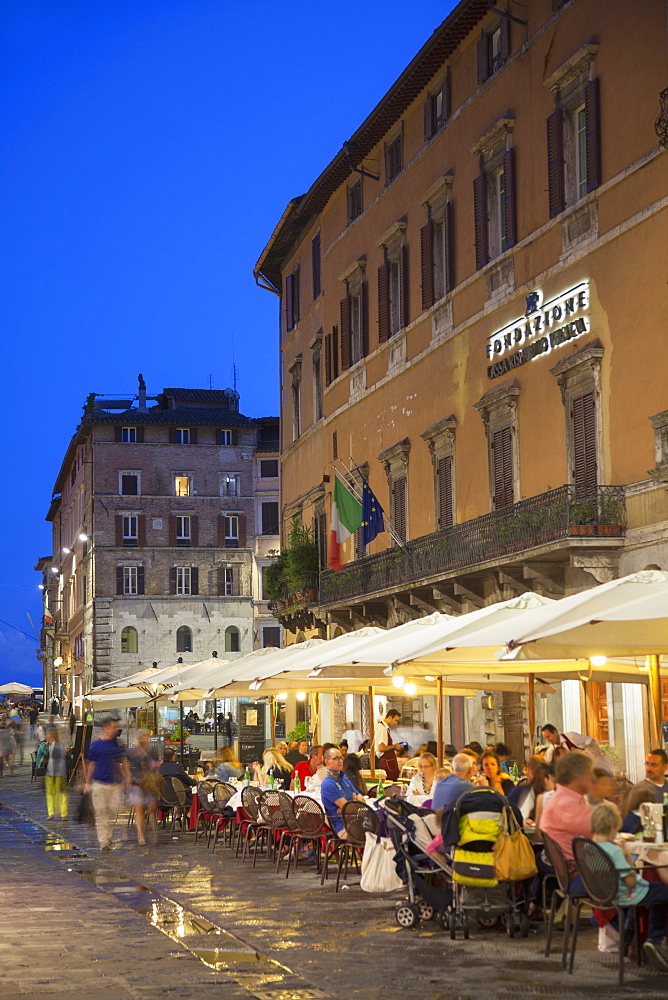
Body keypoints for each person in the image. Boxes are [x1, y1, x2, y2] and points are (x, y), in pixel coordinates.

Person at [591, 801, 668, 972]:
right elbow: (631, 882)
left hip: (607, 894)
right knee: (663, 892)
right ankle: (654, 939)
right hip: (628, 893)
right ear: (613, 827)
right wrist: (627, 857)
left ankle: (631, 937)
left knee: (656, 893)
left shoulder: (591, 847)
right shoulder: (615, 851)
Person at [540, 750, 594, 888]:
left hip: (578, 871)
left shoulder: (564, 798)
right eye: (589, 773)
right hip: (582, 876)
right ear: (576, 777)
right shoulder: (566, 804)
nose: (593, 778)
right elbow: (599, 832)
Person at [85, 716, 131, 851]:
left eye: (116, 727)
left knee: (112, 812)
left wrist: (127, 776)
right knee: (101, 813)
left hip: (115, 784)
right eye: (113, 726)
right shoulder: (96, 745)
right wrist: (87, 782)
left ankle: (108, 837)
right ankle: (104, 841)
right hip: (99, 783)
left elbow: (124, 760)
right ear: (105, 727)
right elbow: (91, 764)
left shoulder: (118, 743)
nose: (115, 729)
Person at [320, 746, 363, 836]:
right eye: (335, 758)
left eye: (341, 758)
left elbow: (361, 799)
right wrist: (351, 804)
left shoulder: (344, 779)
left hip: (355, 821)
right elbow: (350, 809)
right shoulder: (328, 784)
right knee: (377, 833)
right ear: (327, 761)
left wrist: (351, 803)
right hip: (343, 827)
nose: (339, 761)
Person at [126, 730, 159, 846]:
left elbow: (155, 764)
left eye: (146, 736)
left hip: (150, 783)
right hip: (136, 783)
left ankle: (147, 831)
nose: (145, 739)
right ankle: (141, 835)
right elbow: (126, 763)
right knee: (139, 809)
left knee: (151, 808)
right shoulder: (132, 751)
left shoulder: (152, 750)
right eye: (143, 736)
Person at [540, 723, 612, 774]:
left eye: (548, 736)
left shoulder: (571, 736)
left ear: (555, 732)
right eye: (545, 737)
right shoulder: (551, 749)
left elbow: (592, 742)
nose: (547, 740)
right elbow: (544, 762)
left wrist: (592, 756)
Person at [44, 727, 67, 820]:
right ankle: (62, 814)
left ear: (51, 736)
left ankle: (53, 813)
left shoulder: (56, 745)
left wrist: (45, 759)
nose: (46, 736)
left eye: (47, 735)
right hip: (58, 772)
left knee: (53, 794)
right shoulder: (57, 745)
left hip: (55, 773)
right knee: (60, 794)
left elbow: (53, 759)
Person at [373, 709, 401, 780]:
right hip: (386, 762)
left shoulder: (384, 728)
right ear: (390, 717)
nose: (396, 723)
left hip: (388, 761)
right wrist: (395, 746)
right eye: (395, 720)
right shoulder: (382, 728)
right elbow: (381, 748)